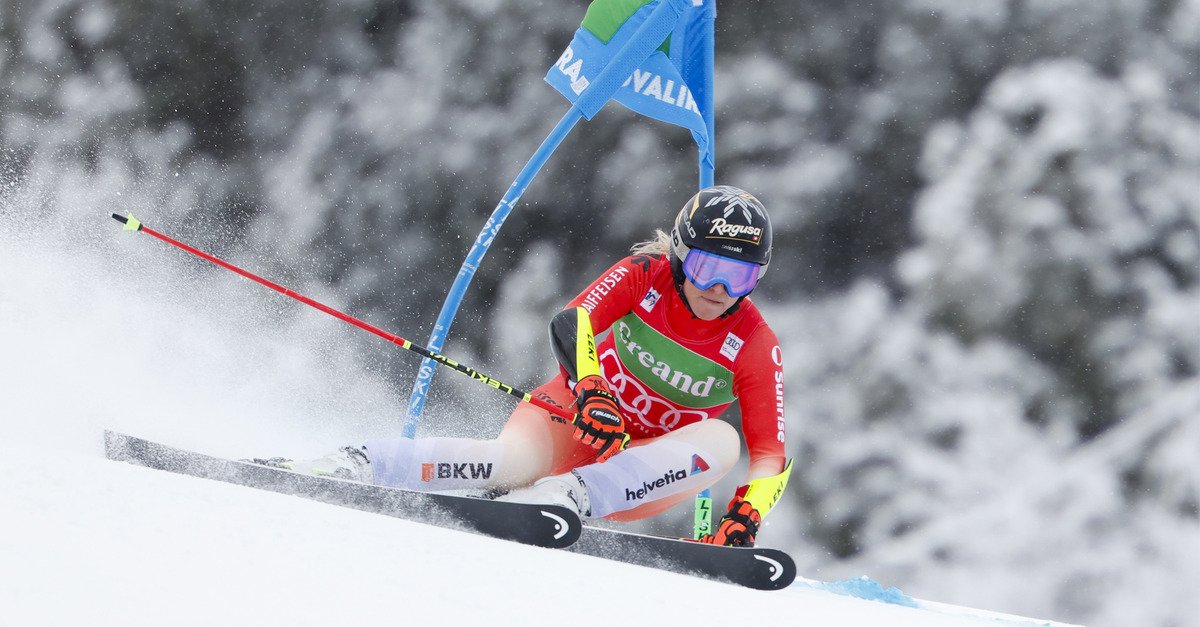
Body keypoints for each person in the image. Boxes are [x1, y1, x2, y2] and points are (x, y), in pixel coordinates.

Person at [262, 185, 791, 547]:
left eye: (740, 278)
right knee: (502, 463)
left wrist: (747, 514)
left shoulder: (753, 341)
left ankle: (566, 494)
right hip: (573, 419)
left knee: (724, 441)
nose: (719, 291)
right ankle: (360, 463)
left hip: (635, 473)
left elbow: (771, 452)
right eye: (707, 269)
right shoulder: (646, 274)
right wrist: (593, 391)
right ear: (679, 255)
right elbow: (574, 320)